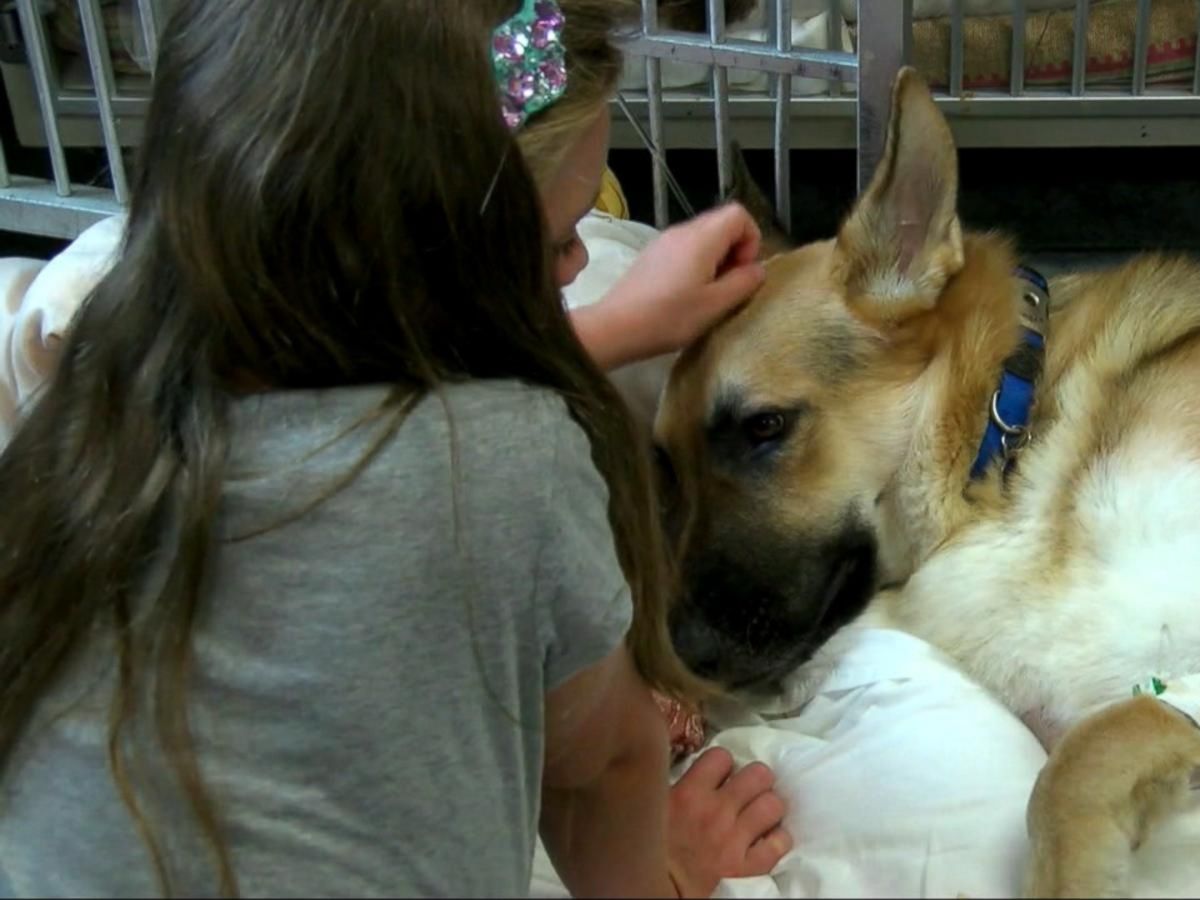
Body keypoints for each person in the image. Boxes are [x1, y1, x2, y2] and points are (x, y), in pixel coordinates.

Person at [0, 0, 785, 897]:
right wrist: (674, 871)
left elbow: (369, 387)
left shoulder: (82, 418)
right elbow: (603, 770)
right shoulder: (512, 465)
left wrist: (610, 328)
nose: (575, 269)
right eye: (558, 238)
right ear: (429, 258)